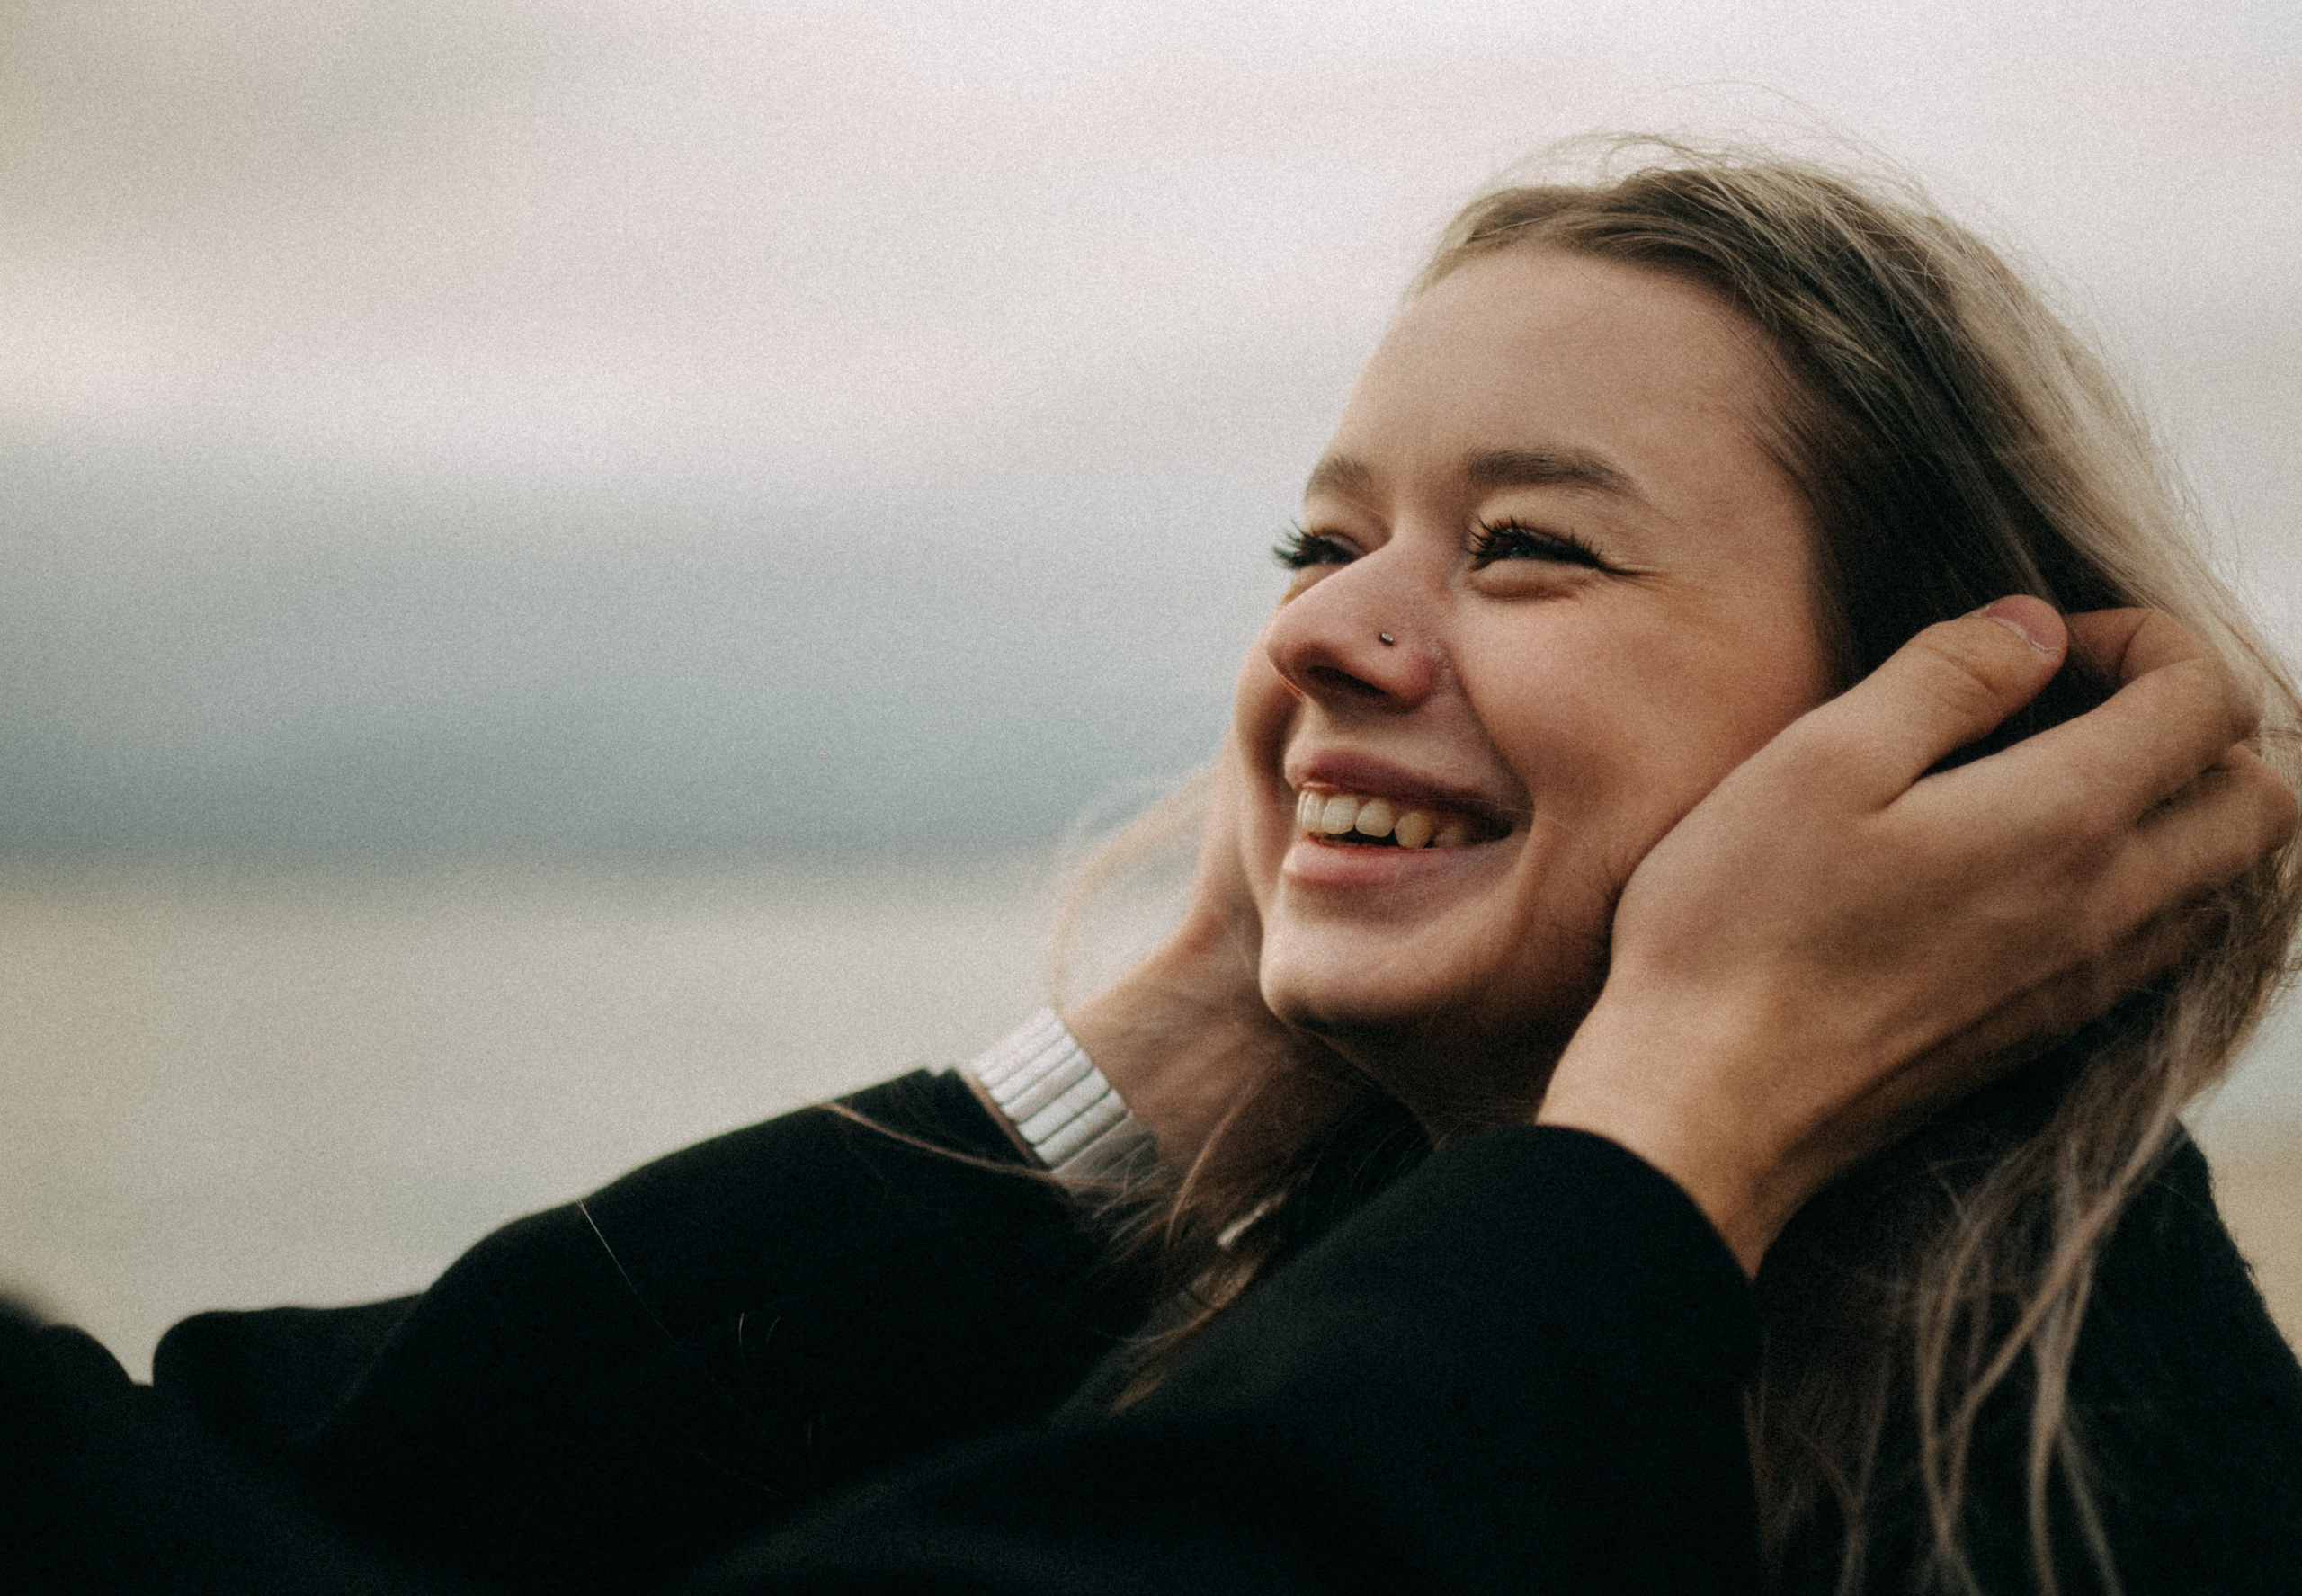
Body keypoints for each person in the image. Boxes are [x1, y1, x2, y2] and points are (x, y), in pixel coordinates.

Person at [4, 142, 2298, 1596]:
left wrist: (1189, 1051)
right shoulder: (1212, 1397)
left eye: (1525, 543)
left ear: (1938, 739)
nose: (1313, 633)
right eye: (1314, 544)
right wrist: (1648, 1134)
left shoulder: (2106, 1480)